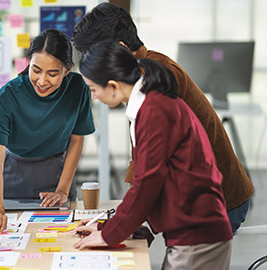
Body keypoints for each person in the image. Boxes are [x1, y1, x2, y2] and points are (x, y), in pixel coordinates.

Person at [71, 2, 254, 234]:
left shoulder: (155, 80)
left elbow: (153, 170)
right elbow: (144, 161)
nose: (93, 84)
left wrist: (122, 223)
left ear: (119, 49)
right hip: (194, 199)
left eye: (95, 58)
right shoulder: (141, 74)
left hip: (216, 201)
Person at [74, 40, 233, 270]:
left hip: (197, 235)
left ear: (112, 86)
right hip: (193, 231)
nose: (95, 97)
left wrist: (109, 234)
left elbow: (148, 182)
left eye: (93, 90)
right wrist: (106, 227)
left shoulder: (154, 110)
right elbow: (146, 180)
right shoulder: (149, 104)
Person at [0, 29, 95, 234]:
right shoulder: (7, 96)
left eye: (53, 74)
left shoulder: (78, 88)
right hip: (11, 177)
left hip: (57, 175)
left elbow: (76, 140)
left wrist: (62, 189)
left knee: (60, 242)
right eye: (36, 70)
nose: (42, 81)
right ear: (28, 62)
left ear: (67, 69)